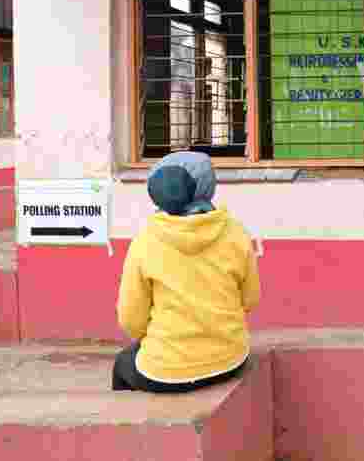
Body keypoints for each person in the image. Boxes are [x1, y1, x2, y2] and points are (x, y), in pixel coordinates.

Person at [112, 152, 261, 393]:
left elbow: (131, 321)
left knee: (122, 365)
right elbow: (250, 299)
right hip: (230, 360)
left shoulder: (145, 241)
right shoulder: (235, 232)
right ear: (207, 187)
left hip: (168, 370)